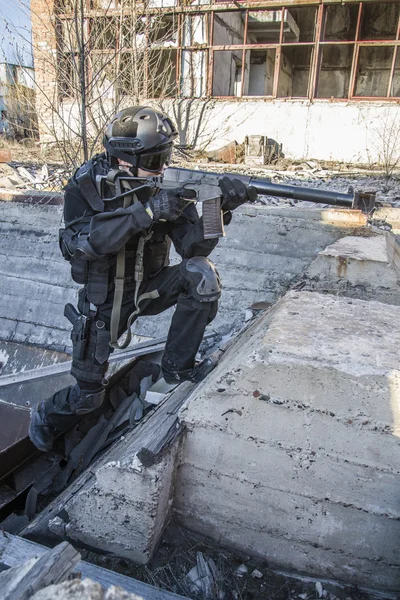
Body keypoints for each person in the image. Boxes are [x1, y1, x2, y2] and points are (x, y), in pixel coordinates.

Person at [29, 106, 256, 452]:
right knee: (88, 397)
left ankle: (177, 369)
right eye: (154, 160)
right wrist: (147, 212)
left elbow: (193, 248)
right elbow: (83, 245)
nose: (162, 168)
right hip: (103, 306)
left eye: (165, 157)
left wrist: (218, 208)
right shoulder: (87, 185)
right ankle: (45, 415)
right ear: (124, 159)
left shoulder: (159, 187)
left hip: (146, 291)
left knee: (201, 276)